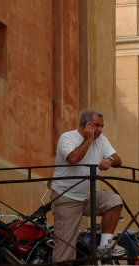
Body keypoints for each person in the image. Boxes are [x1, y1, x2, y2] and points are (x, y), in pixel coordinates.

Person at [50, 109, 126, 263]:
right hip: (66, 198)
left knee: (114, 201)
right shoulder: (67, 138)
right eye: (96, 126)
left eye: (101, 126)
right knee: (65, 251)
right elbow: (73, 158)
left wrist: (110, 160)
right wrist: (88, 140)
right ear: (85, 125)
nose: (99, 130)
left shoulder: (102, 140)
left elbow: (118, 159)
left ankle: (105, 244)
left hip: (89, 196)